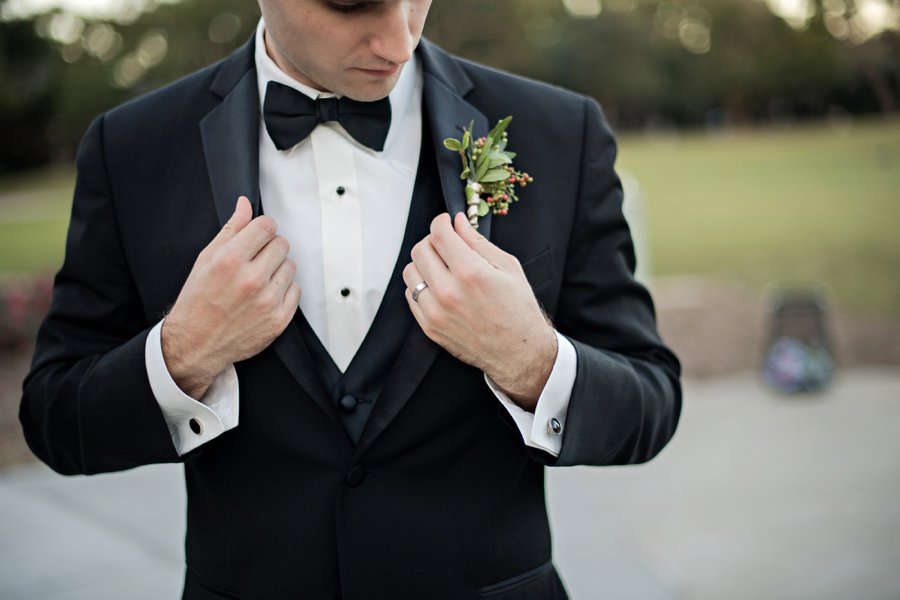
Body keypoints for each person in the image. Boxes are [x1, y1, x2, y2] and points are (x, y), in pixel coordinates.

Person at [20, 1, 681, 598]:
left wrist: (534, 361)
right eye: (351, 5)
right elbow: (55, 420)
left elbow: (651, 401)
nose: (399, 39)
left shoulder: (559, 131)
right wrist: (180, 356)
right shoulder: (132, 148)